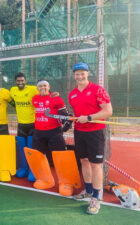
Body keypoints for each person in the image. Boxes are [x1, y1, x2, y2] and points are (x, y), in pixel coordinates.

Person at [69, 62, 112, 215]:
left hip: (95, 132)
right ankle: (87, 191)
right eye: (77, 73)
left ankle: (96, 197)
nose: (80, 76)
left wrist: (88, 117)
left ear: (87, 73)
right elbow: (78, 113)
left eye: (82, 73)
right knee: (84, 161)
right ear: (74, 75)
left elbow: (108, 111)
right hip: (79, 132)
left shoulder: (97, 90)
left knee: (96, 165)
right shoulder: (72, 94)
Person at [26, 79, 73, 190]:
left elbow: (65, 116)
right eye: (40, 86)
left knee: (60, 158)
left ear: (49, 87)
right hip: (38, 133)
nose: (43, 88)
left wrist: (65, 125)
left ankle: (65, 183)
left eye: (45, 85)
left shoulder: (56, 98)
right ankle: (45, 180)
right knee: (38, 157)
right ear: (37, 88)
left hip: (54, 132)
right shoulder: (34, 99)